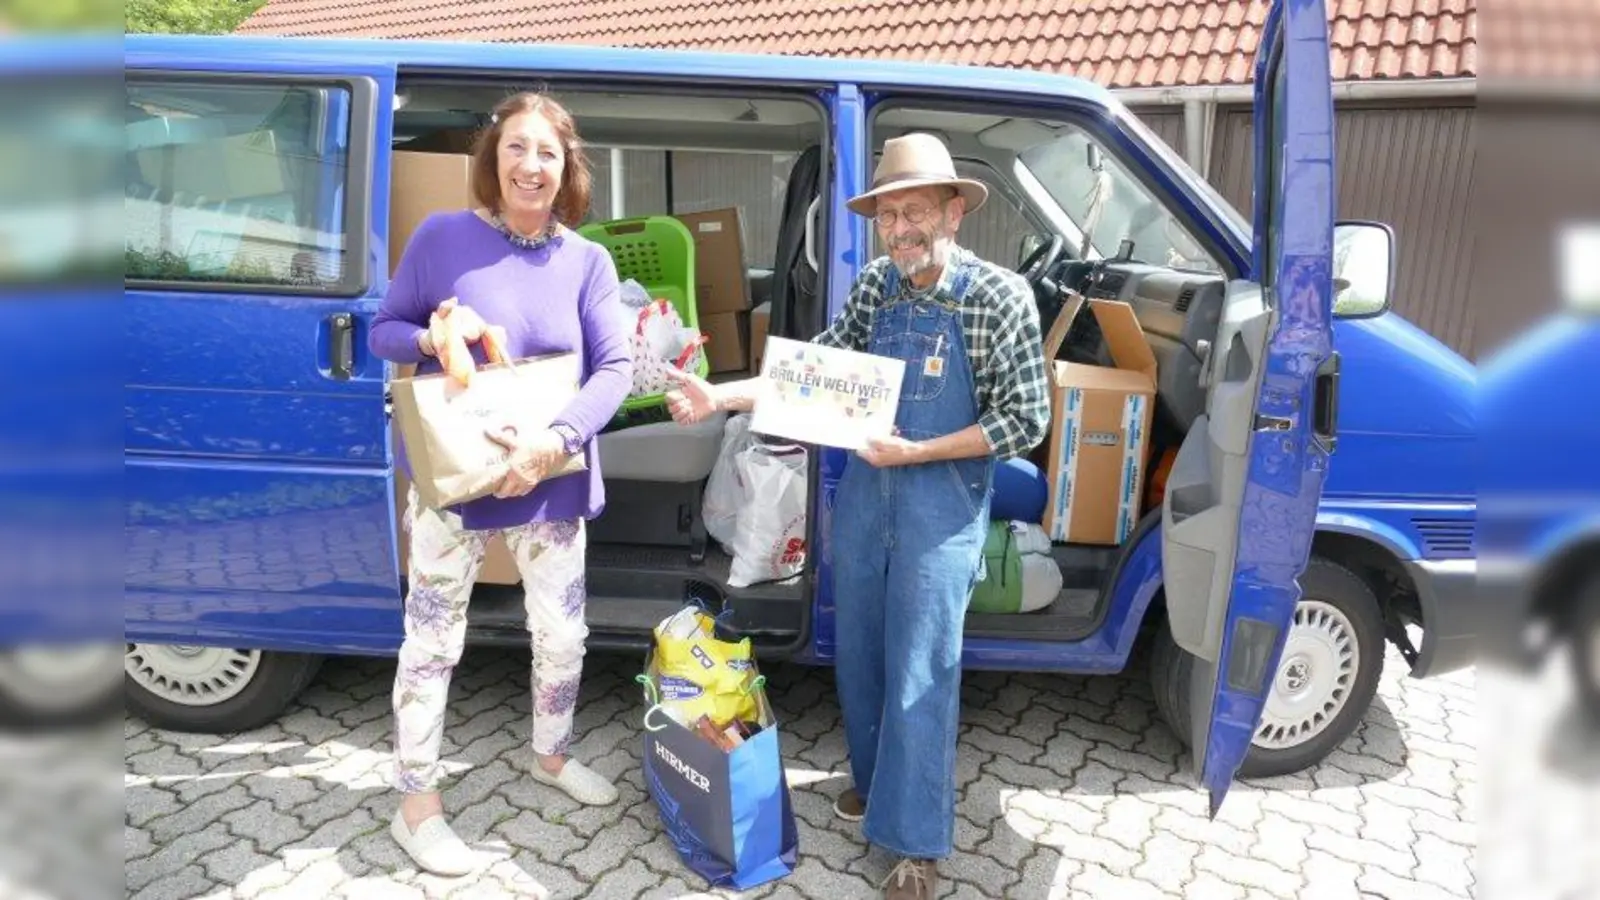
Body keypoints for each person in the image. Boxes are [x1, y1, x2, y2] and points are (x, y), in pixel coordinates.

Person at [665, 133, 1050, 899]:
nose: (900, 229)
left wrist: (924, 450)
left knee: (920, 672)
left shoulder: (999, 298)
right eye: (888, 215)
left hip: (941, 508)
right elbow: (818, 375)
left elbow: (1026, 419)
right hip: (869, 501)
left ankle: (915, 847)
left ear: (953, 213)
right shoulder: (879, 286)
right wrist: (725, 395)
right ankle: (876, 792)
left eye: (916, 212)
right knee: (864, 656)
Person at [369, 91, 633, 876]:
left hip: (548, 483)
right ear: (494, 157)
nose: (531, 164)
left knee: (563, 634)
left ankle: (548, 757)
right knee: (432, 643)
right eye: (517, 148)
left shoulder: (588, 261)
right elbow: (386, 329)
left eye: (547, 152)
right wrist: (428, 333)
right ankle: (415, 806)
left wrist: (554, 443)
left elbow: (617, 368)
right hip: (455, 483)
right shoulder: (443, 237)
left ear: (566, 167)